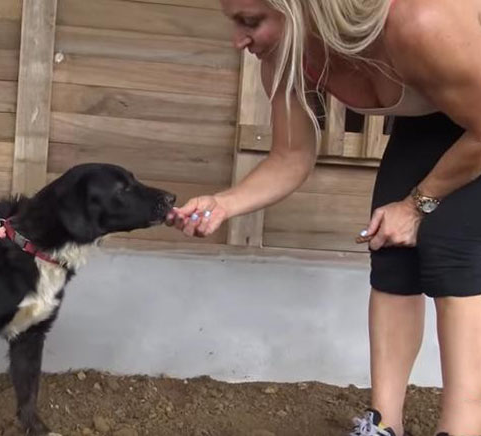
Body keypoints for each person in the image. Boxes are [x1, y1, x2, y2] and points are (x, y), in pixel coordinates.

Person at [166, 1, 481, 435]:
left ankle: (465, 425)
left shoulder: (419, 22)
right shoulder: (287, 56)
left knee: (452, 247)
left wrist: (416, 204)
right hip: (452, 106)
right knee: (388, 244)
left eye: (251, 22)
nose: (238, 40)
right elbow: (291, 156)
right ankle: (383, 425)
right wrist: (226, 203)